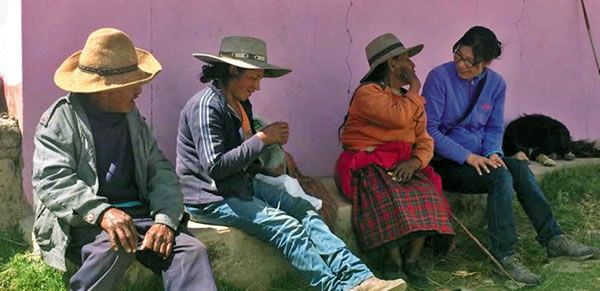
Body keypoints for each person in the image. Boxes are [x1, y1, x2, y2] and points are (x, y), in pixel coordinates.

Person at [177, 36, 406, 291]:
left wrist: (270, 155)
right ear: (232, 69)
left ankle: (360, 278)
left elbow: (242, 155)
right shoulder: (206, 106)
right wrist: (262, 139)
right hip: (211, 198)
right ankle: (335, 288)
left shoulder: (241, 103)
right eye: (253, 78)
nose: (257, 86)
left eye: (260, 79)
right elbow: (215, 166)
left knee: (303, 208)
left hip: (240, 185)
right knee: (286, 227)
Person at [32, 28, 217, 291]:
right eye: (133, 83)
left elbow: (160, 170)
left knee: (191, 251)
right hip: (86, 221)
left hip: (140, 215)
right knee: (116, 247)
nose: (140, 89)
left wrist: (165, 220)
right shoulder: (60, 120)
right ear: (105, 89)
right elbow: (53, 181)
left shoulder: (132, 117)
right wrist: (103, 212)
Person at [422, 26, 595, 285]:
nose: (461, 64)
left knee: (518, 167)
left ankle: (553, 238)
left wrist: (493, 152)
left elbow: (494, 128)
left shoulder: (496, 84)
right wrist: (468, 157)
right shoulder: (439, 78)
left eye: (470, 61)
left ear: (488, 62)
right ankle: (504, 257)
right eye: (459, 55)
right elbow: (429, 130)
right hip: (448, 163)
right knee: (500, 177)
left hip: (482, 158)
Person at [336, 33, 454, 290]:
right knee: (389, 196)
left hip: (404, 161)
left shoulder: (412, 101)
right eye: (407, 61)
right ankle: (393, 260)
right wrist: (414, 90)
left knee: (426, 194)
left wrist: (415, 162)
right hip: (369, 162)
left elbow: (424, 140)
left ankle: (411, 260)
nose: (413, 66)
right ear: (392, 63)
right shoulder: (368, 93)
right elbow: (398, 119)